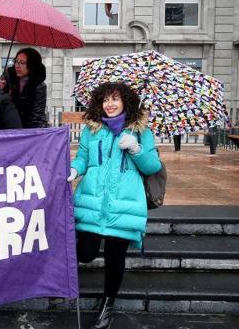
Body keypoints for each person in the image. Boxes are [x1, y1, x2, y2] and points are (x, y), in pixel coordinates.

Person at [66, 82, 161, 329]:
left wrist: (136, 148)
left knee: (114, 257)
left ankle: (108, 304)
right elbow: (83, 158)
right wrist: (73, 170)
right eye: (105, 99)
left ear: (125, 102)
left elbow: (152, 166)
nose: (109, 104)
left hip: (125, 203)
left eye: (115, 99)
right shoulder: (92, 129)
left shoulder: (140, 130)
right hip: (92, 201)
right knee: (85, 253)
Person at [1, 48, 49, 128]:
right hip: (9, 126)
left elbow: (37, 116)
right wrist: (0, 90)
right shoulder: (8, 77)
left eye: (22, 63)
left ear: (31, 65)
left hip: (30, 128)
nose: (17, 66)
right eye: (16, 62)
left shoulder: (39, 86)